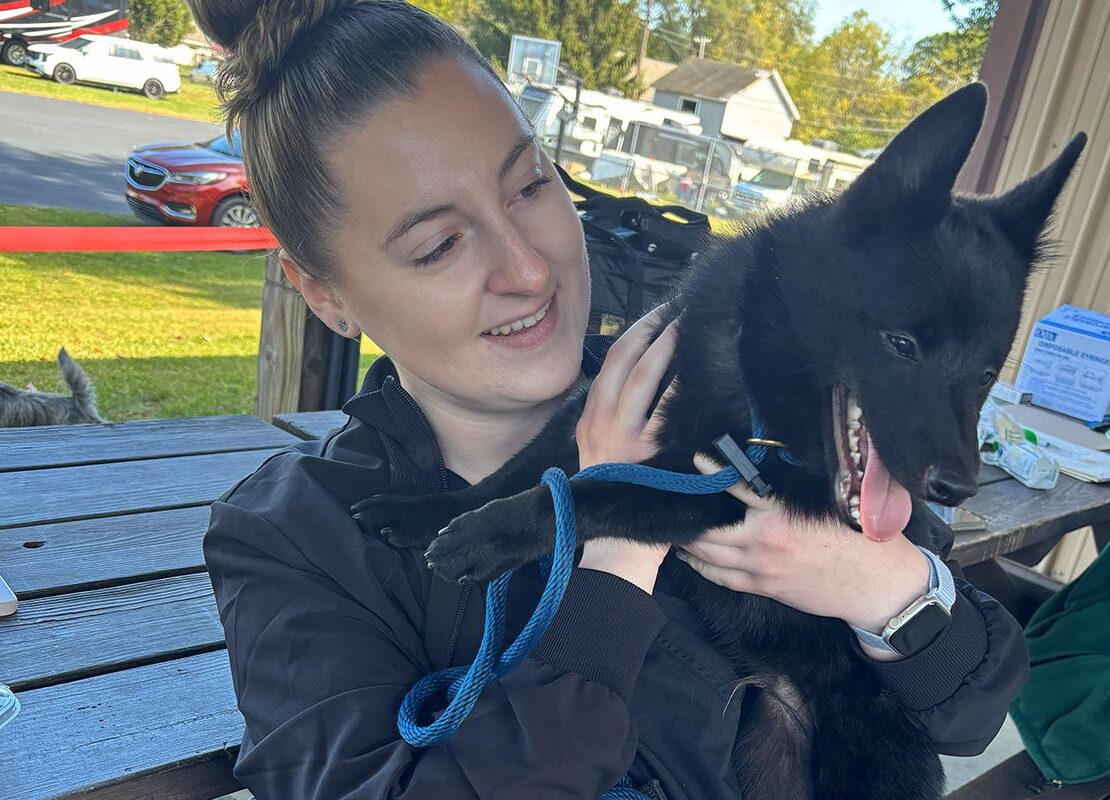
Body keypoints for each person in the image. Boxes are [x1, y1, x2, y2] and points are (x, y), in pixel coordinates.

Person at [190, 1, 1029, 797]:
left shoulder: (731, 381)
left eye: (531, 187)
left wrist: (885, 589)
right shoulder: (298, 541)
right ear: (324, 293)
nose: (527, 268)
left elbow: (975, 700)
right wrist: (616, 551)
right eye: (440, 244)